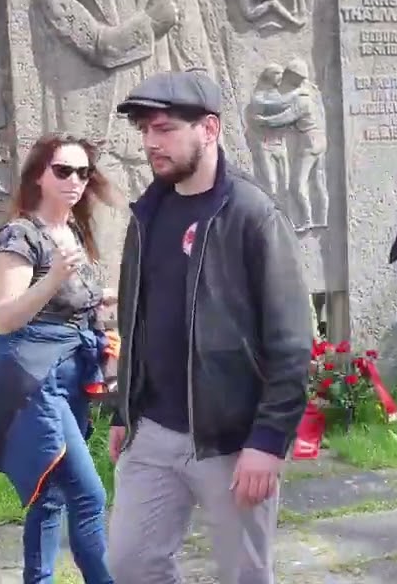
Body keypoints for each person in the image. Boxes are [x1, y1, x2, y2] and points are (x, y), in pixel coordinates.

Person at [105, 69, 312, 584]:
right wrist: (121, 408)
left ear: (210, 130)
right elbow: (136, 321)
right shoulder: (147, 214)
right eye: (146, 131)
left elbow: (291, 342)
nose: (152, 143)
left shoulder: (252, 215)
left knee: (244, 573)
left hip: (231, 440)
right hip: (150, 431)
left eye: (165, 129)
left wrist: (268, 439)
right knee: (131, 565)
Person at [0, 134, 118, 584]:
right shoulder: (21, 235)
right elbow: (3, 317)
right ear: (39, 174)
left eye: (83, 172)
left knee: (49, 492)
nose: (75, 180)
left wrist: (126, 295)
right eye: (63, 170)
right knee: (89, 496)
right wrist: (54, 276)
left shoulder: (72, 230)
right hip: (34, 380)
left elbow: (76, 302)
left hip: (70, 374)